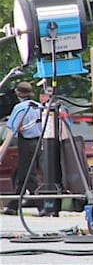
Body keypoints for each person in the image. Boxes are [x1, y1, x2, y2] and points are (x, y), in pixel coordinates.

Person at [0, 82, 44, 216]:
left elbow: (13, 129)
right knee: (22, 176)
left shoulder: (20, 108)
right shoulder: (38, 107)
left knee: (29, 176)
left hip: (26, 143)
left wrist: (3, 148)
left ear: (17, 93)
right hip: (38, 143)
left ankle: (44, 206)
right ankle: (13, 206)